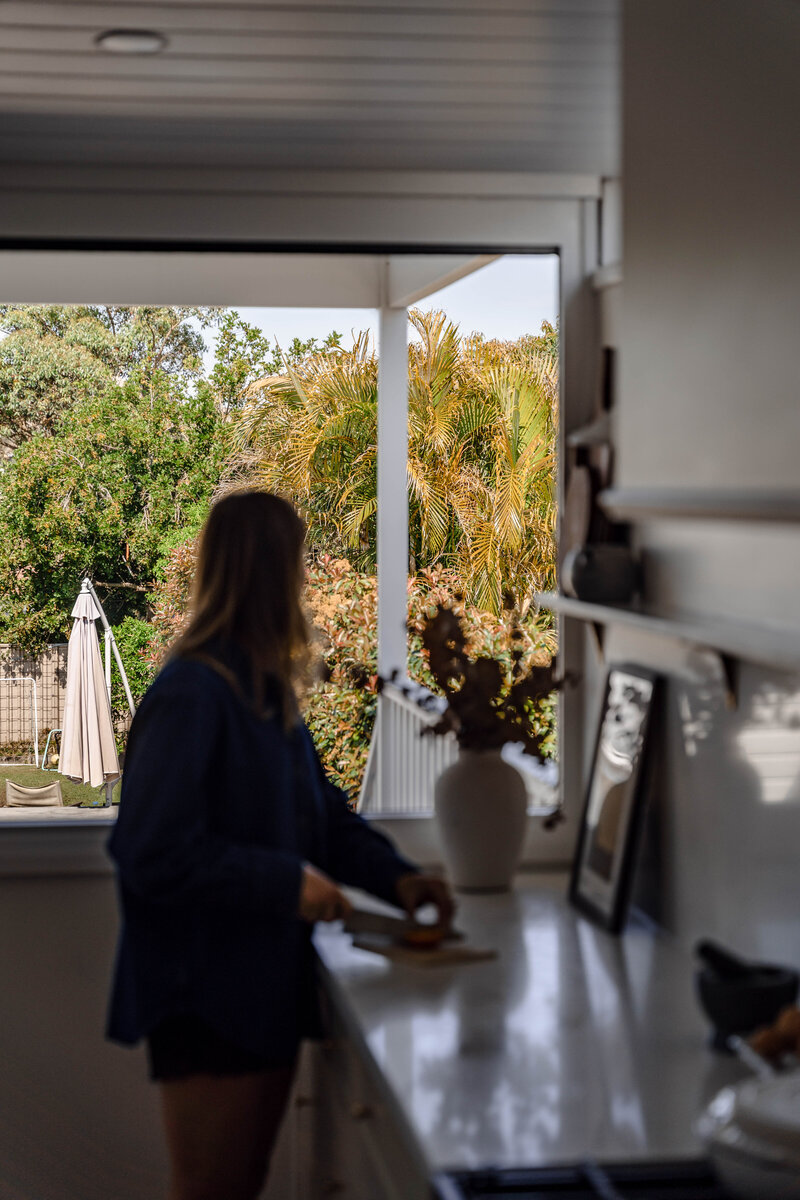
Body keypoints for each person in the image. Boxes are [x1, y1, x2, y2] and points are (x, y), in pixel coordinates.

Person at [106, 490, 454, 1200]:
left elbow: (320, 817)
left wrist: (401, 880)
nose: (303, 584)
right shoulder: (191, 695)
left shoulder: (262, 694)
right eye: (295, 565)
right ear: (268, 575)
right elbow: (149, 850)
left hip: (259, 989)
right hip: (203, 997)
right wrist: (285, 882)